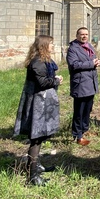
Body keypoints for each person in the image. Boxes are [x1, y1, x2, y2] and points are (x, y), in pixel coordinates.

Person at [14, 35, 63, 186]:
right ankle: (32, 176)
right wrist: (56, 80)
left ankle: (36, 166)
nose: (53, 46)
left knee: (40, 136)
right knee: (36, 137)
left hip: (43, 101)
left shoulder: (42, 61)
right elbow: (42, 82)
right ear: (44, 46)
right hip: (38, 103)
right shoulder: (37, 62)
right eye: (51, 44)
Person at [66, 27, 100, 146]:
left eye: (86, 34)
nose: (84, 36)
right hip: (81, 84)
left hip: (90, 83)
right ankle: (78, 135)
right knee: (79, 111)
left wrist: (97, 62)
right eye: (82, 34)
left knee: (88, 109)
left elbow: (91, 60)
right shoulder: (73, 49)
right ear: (77, 35)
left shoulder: (89, 46)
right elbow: (74, 65)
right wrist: (91, 63)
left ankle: (84, 130)